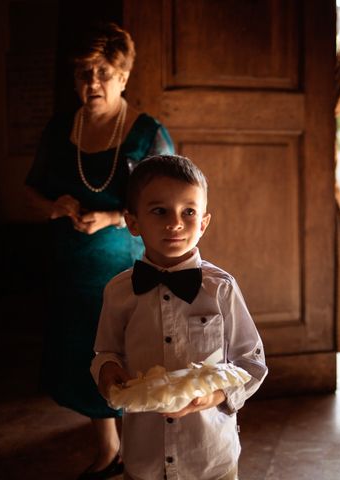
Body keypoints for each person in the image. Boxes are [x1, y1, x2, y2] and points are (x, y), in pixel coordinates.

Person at [24, 23, 174, 479]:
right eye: (83, 74)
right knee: (85, 360)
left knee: (131, 363)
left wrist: (109, 218)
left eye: (103, 72)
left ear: (124, 76)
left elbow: (168, 202)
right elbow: (30, 189)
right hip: (70, 272)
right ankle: (107, 451)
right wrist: (55, 205)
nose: (91, 83)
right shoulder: (60, 128)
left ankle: (140, 458)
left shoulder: (147, 133)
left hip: (125, 270)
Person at [91, 155, 267, 480]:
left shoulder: (221, 289)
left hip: (210, 457)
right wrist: (108, 370)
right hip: (144, 458)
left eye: (188, 212)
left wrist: (214, 396)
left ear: (203, 223)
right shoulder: (118, 292)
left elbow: (252, 362)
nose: (175, 223)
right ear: (133, 222)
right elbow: (105, 353)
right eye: (159, 211)